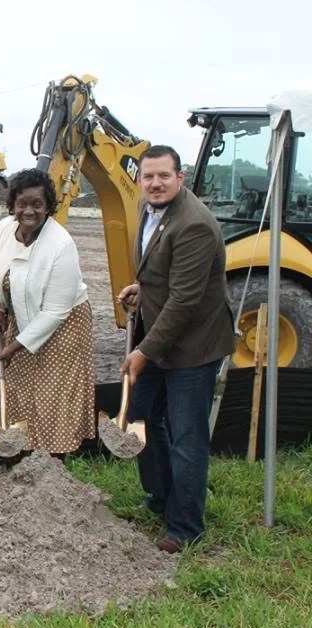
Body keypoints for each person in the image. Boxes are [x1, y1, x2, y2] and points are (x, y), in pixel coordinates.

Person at [118, 145, 235, 554]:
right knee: (140, 416)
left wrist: (144, 352)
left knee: (188, 436)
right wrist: (144, 288)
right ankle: (161, 497)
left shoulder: (195, 225)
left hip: (194, 346)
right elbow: (161, 270)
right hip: (161, 336)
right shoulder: (150, 211)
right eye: (148, 176)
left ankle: (185, 527)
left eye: (164, 176)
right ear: (139, 180)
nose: (155, 183)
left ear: (180, 178)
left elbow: (185, 300)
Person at [0, 168, 96, 455]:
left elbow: (55, 312)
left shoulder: (60, 245)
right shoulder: (4, 229)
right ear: (12, 205)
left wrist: (13, 348)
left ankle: (52, 461)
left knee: (51, 395)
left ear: (48, 207)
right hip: (20, 316)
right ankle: (22, 453)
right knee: (19, 388)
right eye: (22, 204)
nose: (29, 211)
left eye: (37, 204)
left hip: (63, 328)